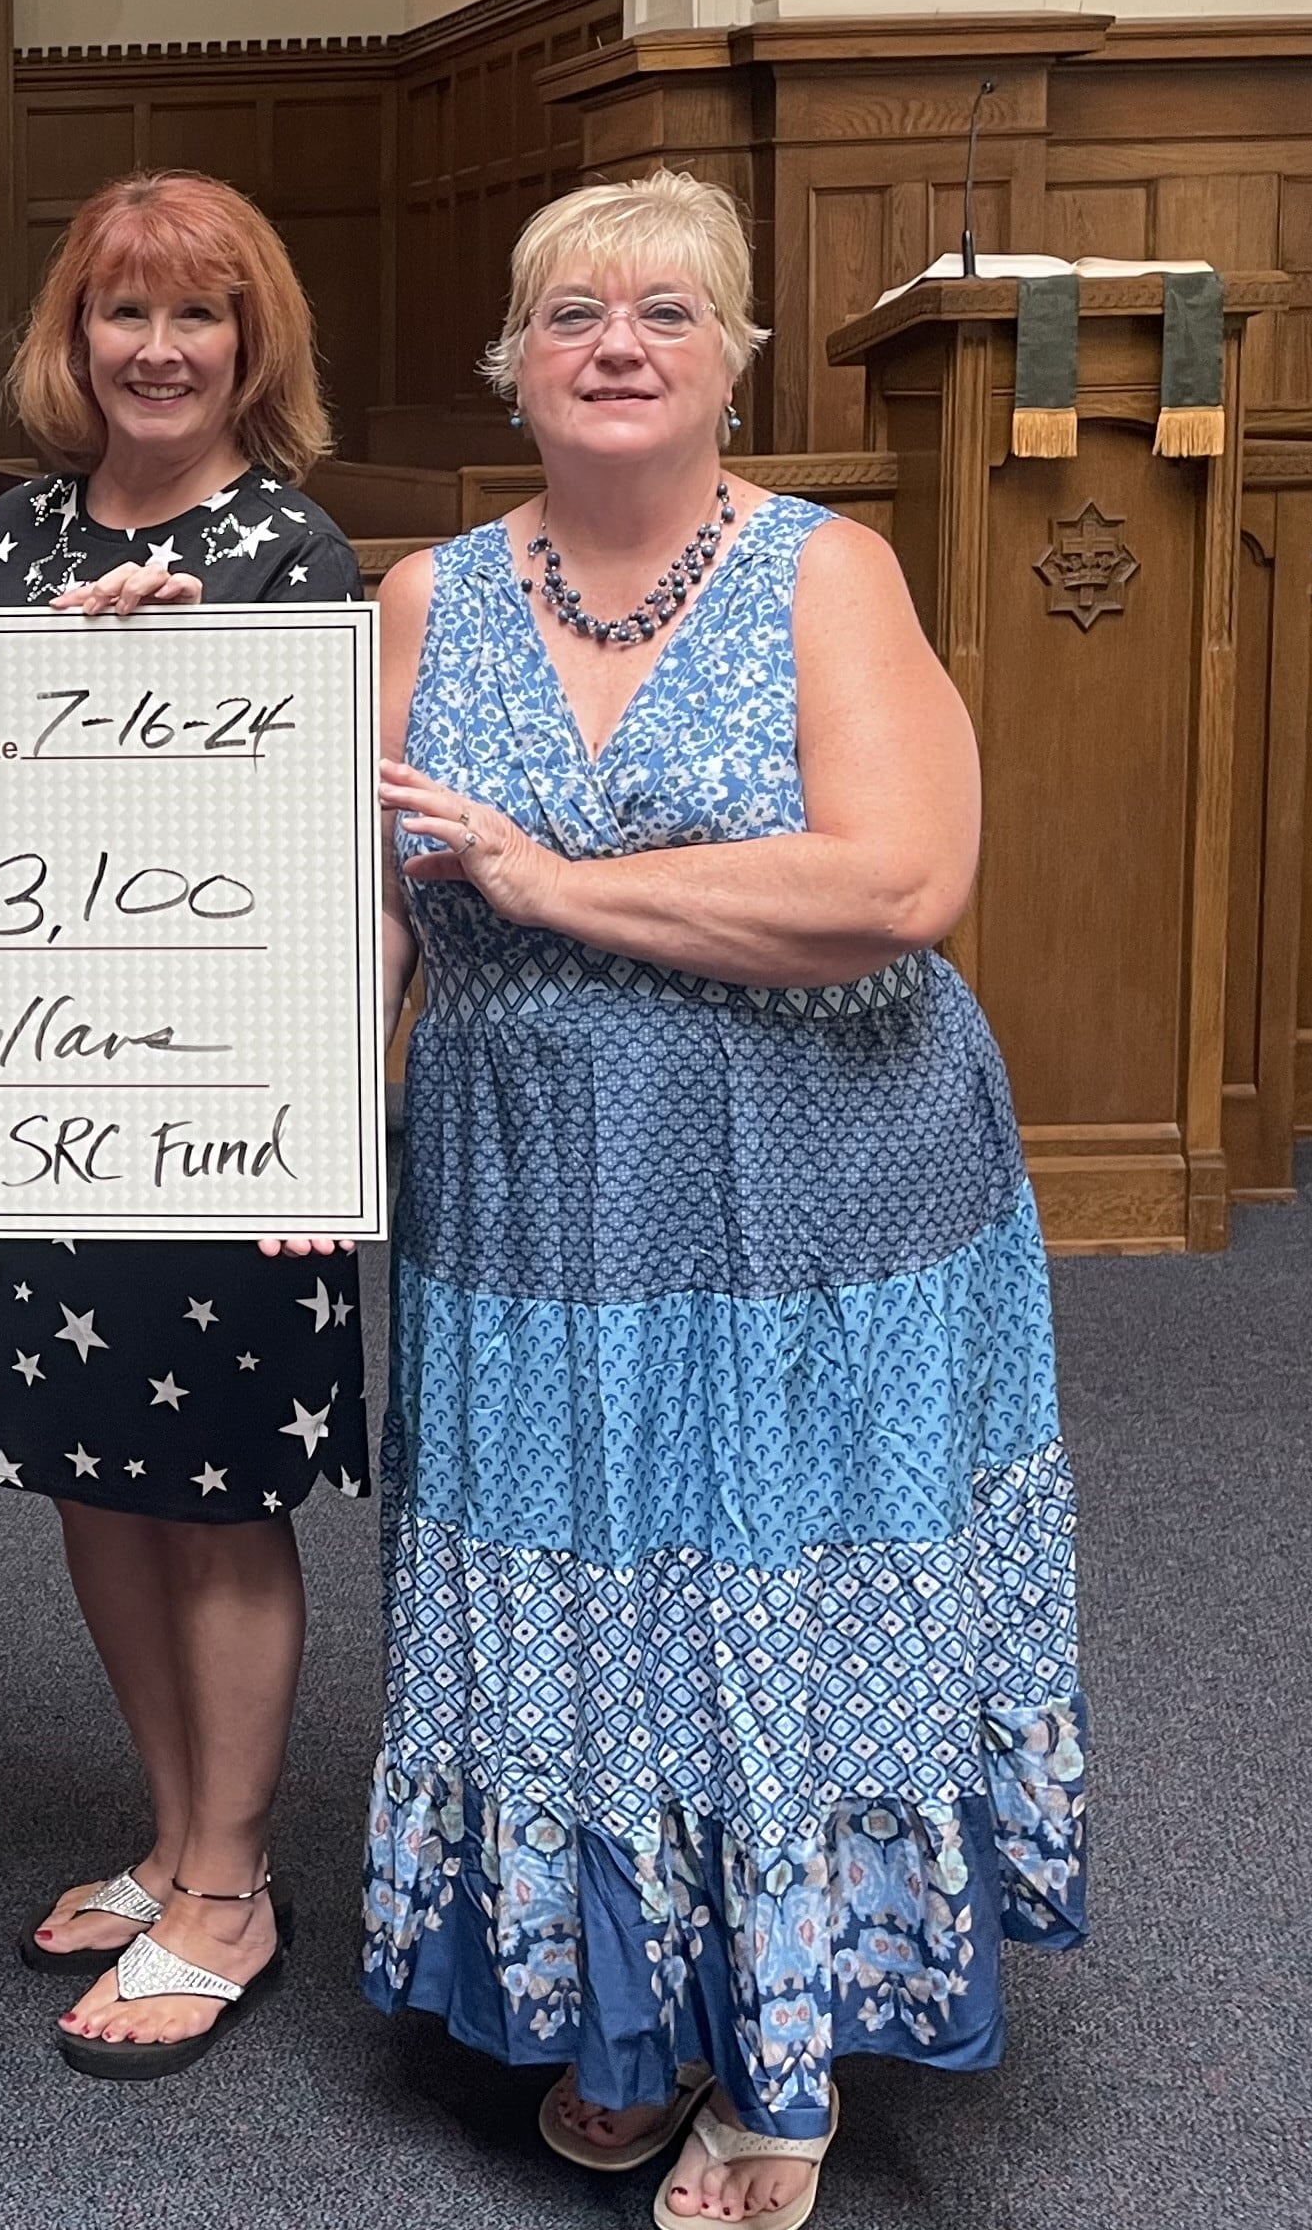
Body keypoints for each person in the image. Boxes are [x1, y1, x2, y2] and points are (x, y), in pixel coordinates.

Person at [365, 171, 1087, 2230]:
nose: (618, 340)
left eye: (669, 312)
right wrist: (294, 1134)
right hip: (528, 1199)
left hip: (816, 1188)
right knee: (579, 1574)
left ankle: (776, 2053)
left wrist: (563, 891)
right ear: (514, 361)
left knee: (765, 1571)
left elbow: (896, 884)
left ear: (732, 361)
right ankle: (627, 2011)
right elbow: (372, 921)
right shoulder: (425, 600)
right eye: (574, 309)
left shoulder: (824, 574)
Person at [0, 172, 374, 2079]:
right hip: (39, 1094)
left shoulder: (290, 554)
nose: (157, 348)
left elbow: (322, 865)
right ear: (77, 335)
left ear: (251, 342)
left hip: (221, 1109)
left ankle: (231, 1878)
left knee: (216, 1491)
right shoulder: (12, 535)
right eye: (124, 313)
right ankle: (165, 1821)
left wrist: (313, 1127)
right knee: (90, 1471)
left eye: (197, 314)